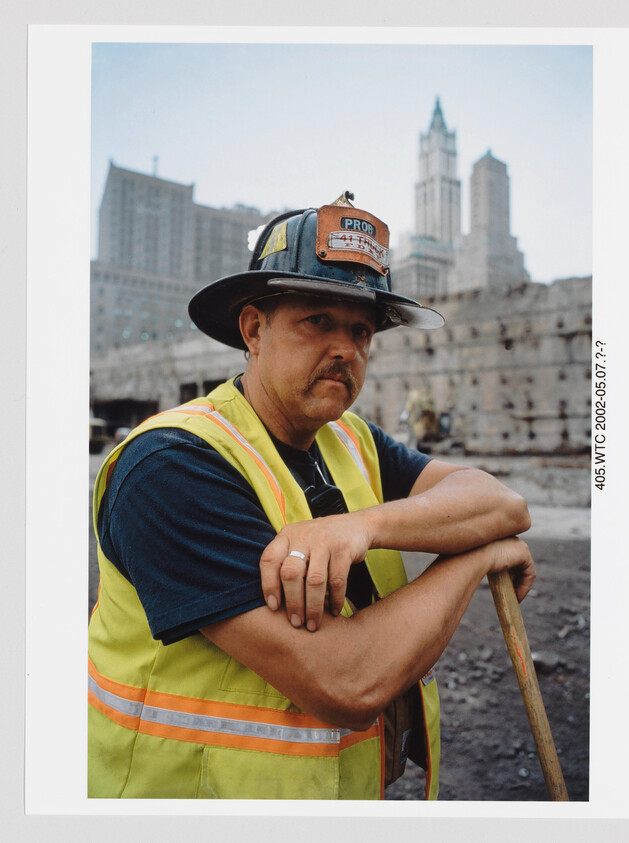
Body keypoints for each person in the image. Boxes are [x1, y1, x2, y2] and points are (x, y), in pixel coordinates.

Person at [88, 193, 534, 800]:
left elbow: (502, 504)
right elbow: (348, 682)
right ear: (254, 329)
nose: (345, 349)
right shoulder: (171, 467)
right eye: (316, 320)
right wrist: (478, 556)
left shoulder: (350, 440)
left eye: (361, 330)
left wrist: (363, 527)